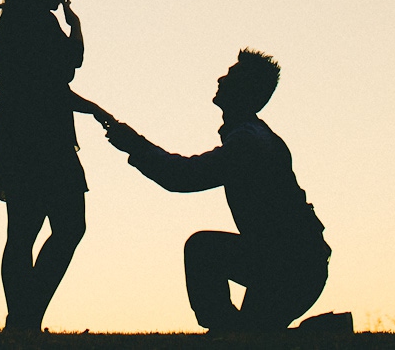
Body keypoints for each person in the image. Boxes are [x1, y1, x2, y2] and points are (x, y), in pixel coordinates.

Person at [101, 49, 330, 332]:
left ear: (246, 91)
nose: (221, 79)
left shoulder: (249, 143)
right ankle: (325, 329)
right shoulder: (253, 137)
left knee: (202, 249)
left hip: (291, 266)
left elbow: (182, 177)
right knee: (252, 334)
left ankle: (227, 329)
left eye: (232, 76)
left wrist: (135, 145)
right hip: (289, 262)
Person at [0, 0, 110, 331]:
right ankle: (25, 320)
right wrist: (77, 27)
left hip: (19, 131)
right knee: (62, 226)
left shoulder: (17, 19)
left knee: (24, 230)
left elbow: (53, 79)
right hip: (35, 136)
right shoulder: (36, 21)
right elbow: (67, 67)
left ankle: (22, 321)